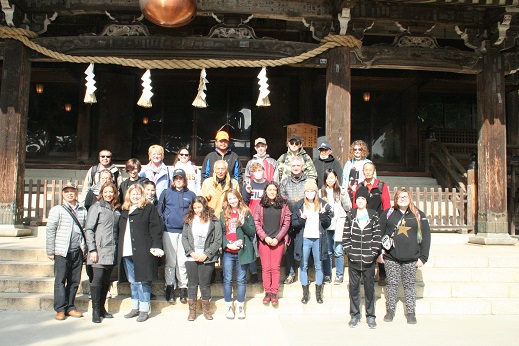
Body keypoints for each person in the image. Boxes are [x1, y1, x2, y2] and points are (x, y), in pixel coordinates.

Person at [378, 188, 431, 325]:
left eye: (405, 196)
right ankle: (390, 310)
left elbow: (426, 236)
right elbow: (379, 233)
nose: (403, 199)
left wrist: (423, 257)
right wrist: (379, 252)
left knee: (409, 285)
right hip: (391, 257)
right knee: (392, 285)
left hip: (411, 258)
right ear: (396, 199)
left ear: (410, 198)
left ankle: (411, 312)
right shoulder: (389, 213)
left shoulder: (418, 214)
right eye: (400, 197)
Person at [118, 184, 164, 322]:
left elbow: (156, 228)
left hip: (143, 250)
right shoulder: (125, 210)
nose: (136, 196)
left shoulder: (148, 208)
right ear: (128, 196)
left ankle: (144, 309)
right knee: (133, 281)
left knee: (143, 280)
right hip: (127, 250)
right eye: (133, 194)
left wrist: (156, 245)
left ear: (142, 195)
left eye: (138, 194)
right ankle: (135, 307)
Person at [46, 182, 87, 321]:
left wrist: (85, 248)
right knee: (60, 280)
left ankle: (70, 306)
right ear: (63, 194)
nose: (70, 194)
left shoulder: (82, 210)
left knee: (74, 280)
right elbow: (50, 230)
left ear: (76, 193)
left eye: (72, 191)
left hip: (77, 250)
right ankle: (60, 308)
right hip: (62, 250)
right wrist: (50, 250)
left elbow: (86, 230)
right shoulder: (57, 210)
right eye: (67, 191)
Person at [343, 186, 381, 329]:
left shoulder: (373, 215)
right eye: (358, 198)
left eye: (363, 198)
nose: (360, 201)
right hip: (354, 259)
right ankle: (354, 315)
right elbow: (345, 237)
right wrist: (350, 252)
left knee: (370, 288)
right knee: (353, 288)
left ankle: (371, 316)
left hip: (369, 260)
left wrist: (372, 254)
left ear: (366, 200)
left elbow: (377, 237)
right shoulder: (351, 215)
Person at [158, 169, 196, 305]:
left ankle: (183, 288)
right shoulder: (166, 193)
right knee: (170, 261)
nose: (178, 180)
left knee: (182, 260)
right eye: (176, 178)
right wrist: (164, 222)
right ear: (173, 180)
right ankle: (169, 286)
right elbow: (160, 210)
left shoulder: (191, 194)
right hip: (169, 230)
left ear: (185, 180)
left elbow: (194, 212)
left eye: (181, 178)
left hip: (185, 231)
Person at [84, 182, 120, 323]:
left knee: (106, 282)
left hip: (111, 250)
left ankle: (102, 308)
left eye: (111, 192)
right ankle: (95, 310)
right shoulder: (96, 207)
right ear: (102, 193)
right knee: (97, 281)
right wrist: (92, 249)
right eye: (106, 192)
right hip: (98, 250)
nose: (108, 194)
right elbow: (89, 229)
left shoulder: (115, 210)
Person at [182, 196, 222, 321]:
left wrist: (207, 253)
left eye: (199, 207)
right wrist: (191, 252)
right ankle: (192, 311)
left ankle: (206, 310)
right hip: (192, 257)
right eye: (195, 208)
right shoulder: (189, 220)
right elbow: (185, 238)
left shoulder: (213, 220)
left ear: (204, 206)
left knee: (205, 284)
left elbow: (218, 239)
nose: (197, 210)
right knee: (192, 284)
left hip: (207, 257)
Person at [292, 180, 331, 304]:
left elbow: (327, 223)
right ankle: (305, 293)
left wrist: (324, 215)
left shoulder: (322, 204)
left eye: (312, 191)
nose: (310, 193)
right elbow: (294, 224)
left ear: (316, 192)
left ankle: (318, 294)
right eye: (307, 191)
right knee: (303, 265)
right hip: (304, 239)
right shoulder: (299, 205)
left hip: (318, 239)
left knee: (318, 265)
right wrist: (302, 220)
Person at [253, 181, 291, 306]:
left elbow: (286, 223)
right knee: (266, 268)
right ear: (266, 191)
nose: (272, 192)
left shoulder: (284, 206)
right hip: (264, 241)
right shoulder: (260, 205)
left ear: (277, 191)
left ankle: (274, 293)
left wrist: (278, 238)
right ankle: (267, 292)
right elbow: (257, 222)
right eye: (270, 190)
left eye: (274, 190)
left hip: (278, 241)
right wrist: (264, 237)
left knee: (275, 268)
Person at [220, 189, 256, 319]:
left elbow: (252, 232)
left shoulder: (246, 212)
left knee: (241, 279)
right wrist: (227, 244)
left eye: (234, 198)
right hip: (229, 252)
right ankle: (229, 305)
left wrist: (243, 222)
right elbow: (221, 233)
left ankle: (240, 306)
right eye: (230, 199)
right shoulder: (223, 214)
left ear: (239, 198)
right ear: (227, 201)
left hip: (242, 250)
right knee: (227, 279)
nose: (232, 201)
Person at [353, 162, 391, 286]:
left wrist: (385, 222)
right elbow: (355, 205)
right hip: (363, 222)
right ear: (363, 172)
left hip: (378, 222)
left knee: (379, 248)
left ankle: (382, 275)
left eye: (370, 169)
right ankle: (365, 275)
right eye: (366, 170)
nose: (368, 172)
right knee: (365, 249)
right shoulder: (360, 186)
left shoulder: (381, 186)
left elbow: (387, 207)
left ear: (374, 171)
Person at [319, 169, 351, 285]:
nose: (330, 180)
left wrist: (344, 197)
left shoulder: (342, 190)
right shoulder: (321, 192)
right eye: (328, 178)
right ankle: (327, 275)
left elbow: (348, 207)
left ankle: (339, 275)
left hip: (339, 224)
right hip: (327, 225)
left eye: (332, 177)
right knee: (327, 251)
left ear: (336, 178)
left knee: (338, 251)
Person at [279, 156, 307, 285]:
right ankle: (290, 273)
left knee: (304, 246)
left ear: (302, 167)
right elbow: (282, 199)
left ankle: (303, 272)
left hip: (304, 218)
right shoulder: (285, 182)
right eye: (293, 166)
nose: (295, 168)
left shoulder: (308, 181)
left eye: (298, 165)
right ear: (290, 167)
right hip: (289, 218)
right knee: (289, 247)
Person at [242, 162, 268, 284]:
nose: (257, 172)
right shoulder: (249, 184)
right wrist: (247, 192)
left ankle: (265, 271)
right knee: (252, 246)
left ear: (263, 170)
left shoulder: (268, 184)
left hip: (265, 220)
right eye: (255, 170)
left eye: (259, 170)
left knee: (264, 247)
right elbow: (244, 203)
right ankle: (253, 273)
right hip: (251, 219)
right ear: (251, 173)